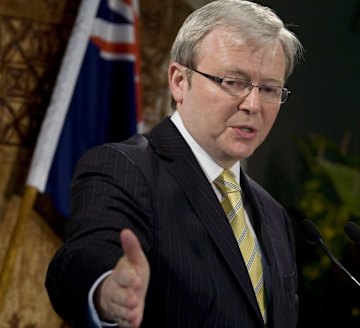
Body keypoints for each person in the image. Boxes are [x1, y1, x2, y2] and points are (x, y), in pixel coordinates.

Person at [45, 0, 304, 327]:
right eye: (234, 82)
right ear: (180, 81)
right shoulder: (125, 169)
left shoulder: (273, 214)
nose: (253, 104)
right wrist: (108, 289)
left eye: (269, 88)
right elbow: (85, 255)